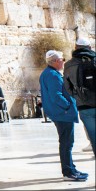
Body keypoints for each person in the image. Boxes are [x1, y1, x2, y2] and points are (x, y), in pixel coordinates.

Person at [40, 50, 88, 181]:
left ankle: (71, 168)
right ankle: (68, 172)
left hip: (61, 113)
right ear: (55, 61)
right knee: (67, 143)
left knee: (67, 142)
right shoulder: (52, 75)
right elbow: (56, 96)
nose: (64, 61)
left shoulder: (49, 73)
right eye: (62, 59)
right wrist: (68, 106)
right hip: (63, 114)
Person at [63, 37, 95, 156]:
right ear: (90, 47)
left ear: (75, 48)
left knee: (92, 134)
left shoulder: (69, 65)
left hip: (84, 105)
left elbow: (67, 87)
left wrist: (78, 97)